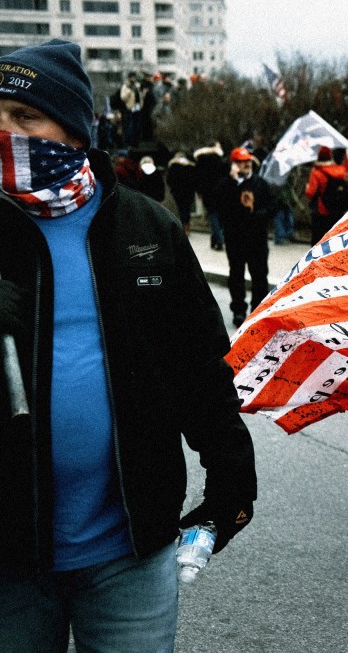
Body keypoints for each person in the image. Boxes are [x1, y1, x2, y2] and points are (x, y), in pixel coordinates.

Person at [0, 39, 257, 651]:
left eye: (24, 116)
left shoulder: (147, 227)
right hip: (8, 558)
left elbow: (200, 366)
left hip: (131, 549)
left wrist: (230, 483)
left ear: (74, 127)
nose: (5, 133)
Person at [214, 146, 279, 327]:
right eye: (241, 162)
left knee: (260, 276)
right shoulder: (225, 185)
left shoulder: (260, 183)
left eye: (248, 161)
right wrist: (233, 182)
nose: (246, 165)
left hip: (257, 238)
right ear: (234, 164)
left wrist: (259, 215)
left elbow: (273, 206)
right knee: (236, 275)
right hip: (235, 238)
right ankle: (239, 310)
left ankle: (258, 310)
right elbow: (220, 207)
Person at [304, 146, 348, 245]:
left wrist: (307, 187)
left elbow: (310, 193)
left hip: (322, 210)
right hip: (338, 211)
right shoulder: (341, 171)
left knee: (318, 240)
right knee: (334, 239)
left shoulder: (317, 172)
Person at [193, 141, 229, 250]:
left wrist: (199, 191)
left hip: (207, 191)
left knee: (212, 214)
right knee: (219, 215)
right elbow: (226, 175)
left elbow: (197, 177)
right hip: (221, 191)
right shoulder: (221, 160)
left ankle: (215, 239)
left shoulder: (201, 160)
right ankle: (219, 239)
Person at [166, 150, 198, 234]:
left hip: (177, 191)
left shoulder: (173, 166)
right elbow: (194, 179)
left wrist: (173, 187)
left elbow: (169, 179)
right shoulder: (190, 166)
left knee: (181, 208)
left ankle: (183, 226)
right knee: (187, 208)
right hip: (189, 191)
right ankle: (187, 225)